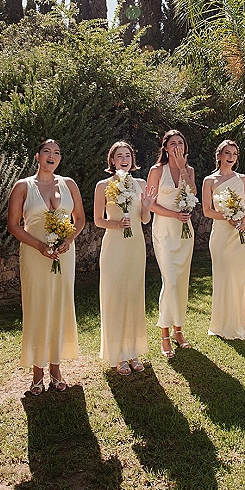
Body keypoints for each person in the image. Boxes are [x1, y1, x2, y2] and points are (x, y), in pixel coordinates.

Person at [7, 139, 86, 395]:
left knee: (61, 305)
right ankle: (37, 373)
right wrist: (40, 246)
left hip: (64, 255)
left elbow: (80, 219)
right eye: (47, 152)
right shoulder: (23, 186)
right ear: (37, 156)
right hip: (34, 255)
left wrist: (68, 240)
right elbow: (14, 226)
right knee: (38, 307)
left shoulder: (69, 184)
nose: (52, 156)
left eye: (57, 153)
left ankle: (56, 369)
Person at [94, 141, 156, 376]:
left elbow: (145, 220)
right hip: (114, 246)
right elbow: (99, 220)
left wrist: (147, 206)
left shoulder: (140, 184)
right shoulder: (103, 186)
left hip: (135, 247)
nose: (124, 159)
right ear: (112, 160)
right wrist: (117, 224)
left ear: (132, 159)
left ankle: (132, 352)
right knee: (115, 295)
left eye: (127, 155)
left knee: (133, 295)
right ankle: (117, 354)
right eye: (119, 155)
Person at [202, 140, 245, 339]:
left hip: (242, 233)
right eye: (227, 153)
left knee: (243, 277)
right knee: (224, 277)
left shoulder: (242, 179)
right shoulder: (209, 181)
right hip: (221, 234)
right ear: (219, 156)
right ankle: (223, 321)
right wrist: (227, 217)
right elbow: (207, 211)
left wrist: (243, 220)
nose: (231, 157)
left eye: (235, 154)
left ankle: (244, 322)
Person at [146, 130, 196, 358]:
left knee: (182, 281)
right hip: (164, 231)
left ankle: (179, 330)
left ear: (185, 147)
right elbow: (150, 205)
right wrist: (174, 215)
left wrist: (183, 168)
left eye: (180, 143)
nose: (177, 146)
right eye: (172, 143)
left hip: (185, 233)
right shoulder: (156, 171)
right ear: (165, 148)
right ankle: (164, 335)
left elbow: (192, 195)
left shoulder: (190, 171)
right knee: (170, 280)